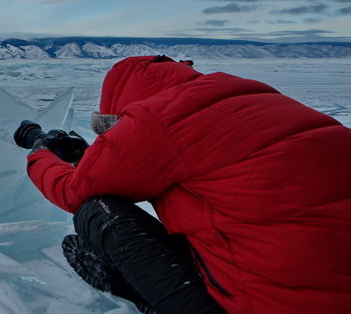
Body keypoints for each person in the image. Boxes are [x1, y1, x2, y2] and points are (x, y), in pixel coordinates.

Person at [25, 55, 351, 314]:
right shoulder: (262, 101)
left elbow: (73, 191)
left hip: (274, 305)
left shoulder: (155, 123)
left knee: (97, 210)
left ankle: (140, 290)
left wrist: (40, 153)